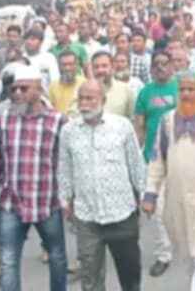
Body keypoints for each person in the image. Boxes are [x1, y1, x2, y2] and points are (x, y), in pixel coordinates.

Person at [59, 79, 147, 291]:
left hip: (122, 214)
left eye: (90, 98)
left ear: (103, 100)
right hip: (87, 217)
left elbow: (136, 163)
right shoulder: (69, 131)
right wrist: (65, 199)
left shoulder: (122, 126)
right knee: (90, 279)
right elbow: (64, 168)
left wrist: (145, 196)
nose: (85, 104)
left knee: (130, 276)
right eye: (81, 98)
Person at [141, 72, 195, 291]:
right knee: (188, 255)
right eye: (182, 90)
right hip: (175, 199)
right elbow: (157, 159)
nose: (186, 94)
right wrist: (150, 194)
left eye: (191, 89)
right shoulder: (167, 121)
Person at [0, 64, 67, 291]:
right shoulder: (3, 120)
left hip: (47, 202)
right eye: (13, 89)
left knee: (56, 257)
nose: (16, 94)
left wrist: (67, 198)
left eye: (23, 89)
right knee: (8, 261)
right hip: (11, 203)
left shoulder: (58, 121)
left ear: (39, 89)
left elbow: (65, 164)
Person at [133, 51, 178, 277]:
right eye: (156, 64)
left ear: (172, 67)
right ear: (151, 69)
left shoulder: (182, 88)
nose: (160, 67)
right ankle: (164, 254)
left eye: (164, 63)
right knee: (156, 209)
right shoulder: (145, 92)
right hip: (152, 159)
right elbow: (139, 125)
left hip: (181, 158)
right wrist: (137, 154)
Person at [47, 50, 81, 116]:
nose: (67, 68)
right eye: (64, 65)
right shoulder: (53, 85)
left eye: (71, 64)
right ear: (58, 66)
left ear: (76, 65)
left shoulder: (84, 84)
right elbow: (51, 108)